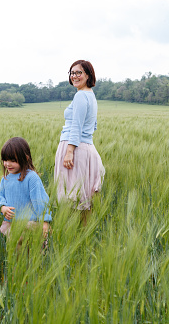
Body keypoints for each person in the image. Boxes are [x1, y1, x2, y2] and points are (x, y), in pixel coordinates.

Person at [54, 60, 105, 224]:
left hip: (75, 148)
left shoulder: (81, 96)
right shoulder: (90, 95)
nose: (74, 76)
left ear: (88, 75)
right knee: (84, 199)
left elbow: (76, 126)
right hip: (86, 148)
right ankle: (84, 234)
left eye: (79, 72)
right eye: (72, 73)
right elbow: (92, 125)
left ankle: (76, 233)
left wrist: (69, 152)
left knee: (73, 198)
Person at [0, 137, 51, 240]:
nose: (8, 164)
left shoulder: (31, 177)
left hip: (30, 224)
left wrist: (45, 222)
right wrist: (2, 207)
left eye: (12, 160)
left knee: (32, 253)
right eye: (5, 160)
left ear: (25, 158)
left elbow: (40, 201)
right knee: (16, 253)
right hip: (12, 224)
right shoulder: (5, 179)